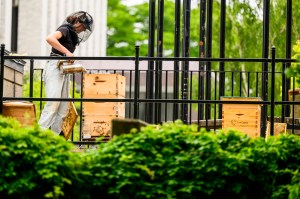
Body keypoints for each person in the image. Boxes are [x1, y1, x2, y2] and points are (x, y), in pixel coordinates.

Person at [38, 11, 94, 134]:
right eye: (83, 27)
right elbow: (50, 38)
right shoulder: (65, 29)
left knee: (63, 107)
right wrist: (67, 52)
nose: (83, 30)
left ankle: (53, 139)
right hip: (55, 66)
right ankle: (39, 136)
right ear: (78, 22)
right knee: (53, 104)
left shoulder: (72, 35)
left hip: (64, 69)